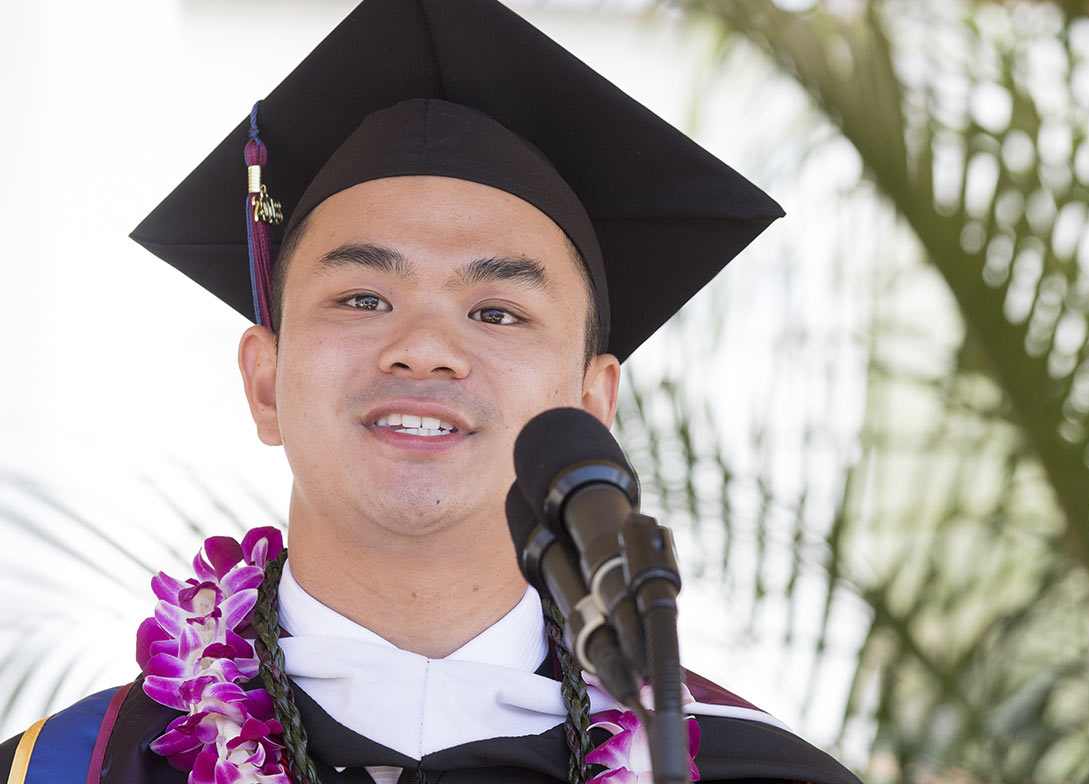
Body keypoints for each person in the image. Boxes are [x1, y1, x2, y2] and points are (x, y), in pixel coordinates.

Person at [0, 1, 862, 783]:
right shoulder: (74, 770)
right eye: (363, 298)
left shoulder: (743, 772)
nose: (424, 351)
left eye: (497, 310)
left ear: (592, 407)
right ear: (265, 381)